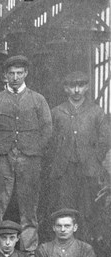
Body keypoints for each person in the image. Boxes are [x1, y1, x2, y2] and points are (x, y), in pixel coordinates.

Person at [0, 55, 52, 252]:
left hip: (29, 158)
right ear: (5, 75)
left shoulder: (38, 100)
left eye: (19, 73)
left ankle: (29, 252)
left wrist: (35, 149)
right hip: (1, 157)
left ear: (26, 74)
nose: (15, 77)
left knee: (29, 206)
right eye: (11, 73)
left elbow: (47, 129)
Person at [47, 71, 111, 239]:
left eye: (81, 86)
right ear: (65, 88)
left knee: (88, 210)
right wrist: (58, 158)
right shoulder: (57, 112)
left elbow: (105, 139)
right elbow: (49, 140)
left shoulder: (96, 112)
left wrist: (95, 158)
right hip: (64, 170)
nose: (76, 90)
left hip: (88, 170)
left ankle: (88, 247)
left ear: (87, 87)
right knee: (64, 208)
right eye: (72, 86)